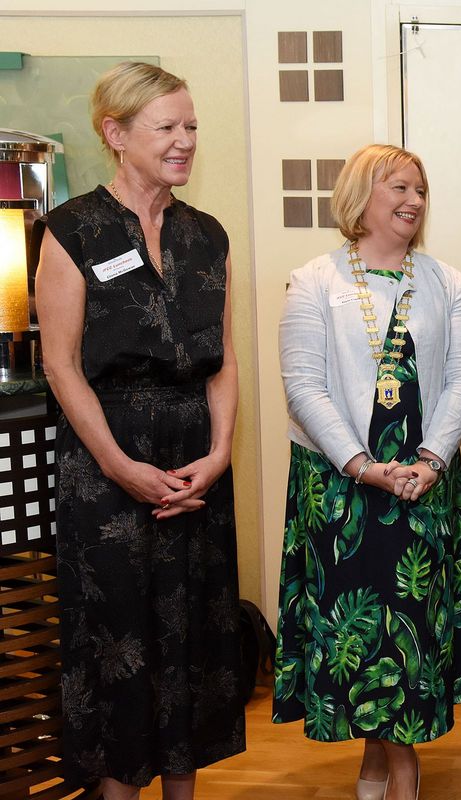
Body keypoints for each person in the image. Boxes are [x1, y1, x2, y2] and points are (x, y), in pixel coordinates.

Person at [34, 61, 244, 799]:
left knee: (191, 645)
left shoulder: (207, 235)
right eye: (167, 127)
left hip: (196, 469)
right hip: (108, 471)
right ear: (115, 134)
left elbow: (223, 361)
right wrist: (121, 467)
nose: (185, 140)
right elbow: (61, 367)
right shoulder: (72, 231)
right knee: (118, 645)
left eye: (192, 126)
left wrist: (221, 454)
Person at [273, 143, 461, 800]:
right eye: (398, 187)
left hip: (422, 485)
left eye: (420, 190)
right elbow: (303, 388)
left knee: (410, 628)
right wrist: (364, 466)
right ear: (359, 196)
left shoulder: (447, 282)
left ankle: (394, 763)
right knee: (362, 632)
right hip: (341, 491)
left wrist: (431, 460)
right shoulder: (313, 281)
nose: (413, 201)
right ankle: (387, 761)